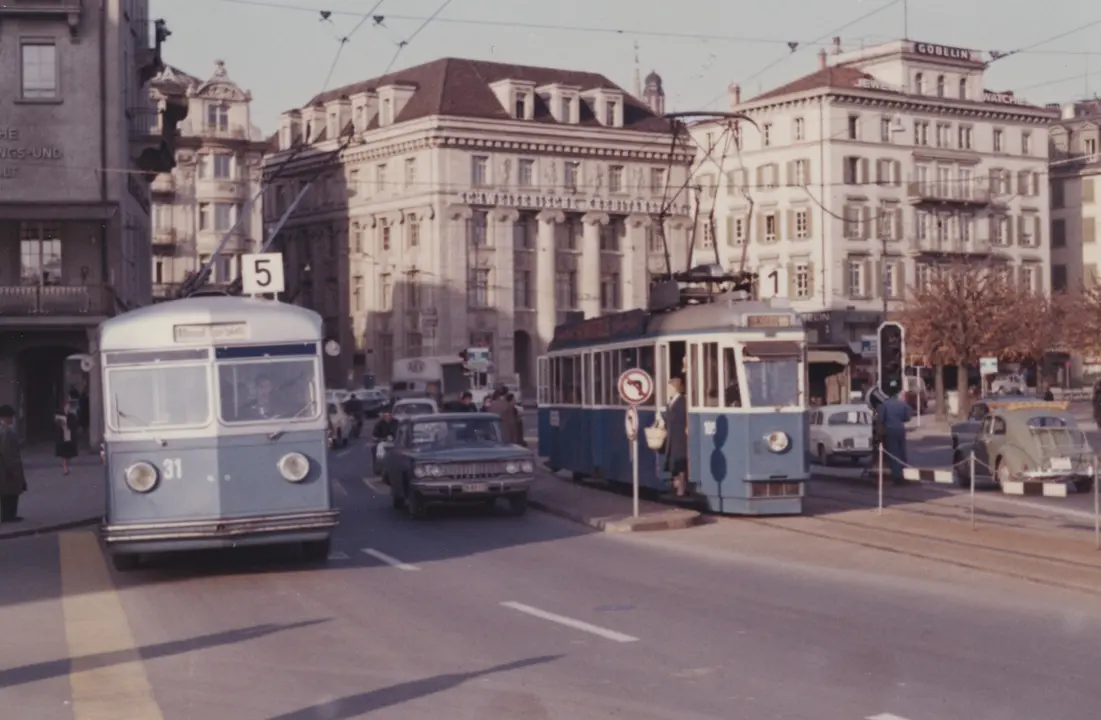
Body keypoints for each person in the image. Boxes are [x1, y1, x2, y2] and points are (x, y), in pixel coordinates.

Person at [876, 381, 913, 485]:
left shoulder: (884, 404)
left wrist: (879, 432)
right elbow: (907, 418)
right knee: (902, 452)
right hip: (901, 430)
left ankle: (896, 477)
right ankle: (904, 473)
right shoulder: (902, 404)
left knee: (894, 453)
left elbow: (880, 419)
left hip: (890, 430)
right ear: (897, 392)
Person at [0, 405, 27, 524]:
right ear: (6, 417)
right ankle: (9, 515)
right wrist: (13, 467)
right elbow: (7, 451)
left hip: (5, 466)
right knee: (11, 490)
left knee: (8, 491)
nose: (12, 420)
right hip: (7, 467)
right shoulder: (6, 431)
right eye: (11, 417)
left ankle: (8, 515)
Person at [663, 377, 689, 497]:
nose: (668, 390)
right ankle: (677, 486)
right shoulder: (672, 401)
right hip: (673, 436)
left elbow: (678, 418)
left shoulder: (681, 401)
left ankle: (681, 489)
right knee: (675, 461)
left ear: (675, 388)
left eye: (669, 387)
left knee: (680, 462)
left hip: (679, 437)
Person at [55, 400, 78, 475]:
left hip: (69, 436)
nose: (67, 408)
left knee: (68, 453)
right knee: (63, 453)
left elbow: (74, 425)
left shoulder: (72, 416)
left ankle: (66, 464)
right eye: (66, 407)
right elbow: (56, 425)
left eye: (68, 407)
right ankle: (65, 468)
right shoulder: (60, 415)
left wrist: (68, 427)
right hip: (62, 436)